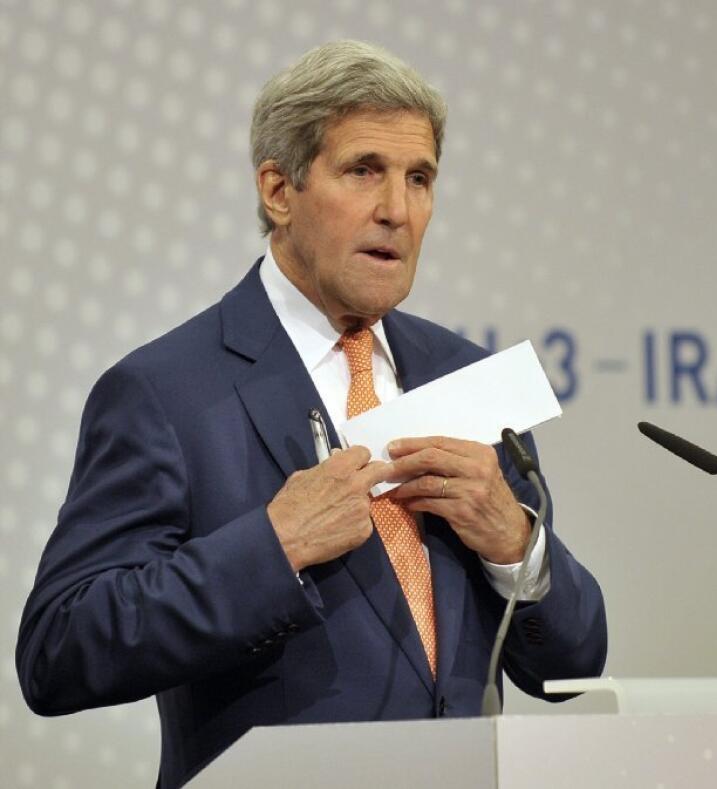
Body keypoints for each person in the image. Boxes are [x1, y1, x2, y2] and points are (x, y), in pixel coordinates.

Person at [15, 40, 607, 788]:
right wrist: (273, 544)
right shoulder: (165, 390)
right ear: (278, 190)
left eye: (419, 178)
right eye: (364, 171)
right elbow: (59, 649)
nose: (397, 209)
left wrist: (515, 546)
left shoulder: (462, 376)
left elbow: (576, 663)